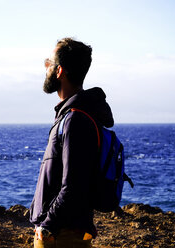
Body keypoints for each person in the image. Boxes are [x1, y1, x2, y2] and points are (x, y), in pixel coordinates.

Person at [29, 38, 114, 248]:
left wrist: (47, 226)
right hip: (62, 233)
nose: (46, 68)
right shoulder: (72, 116)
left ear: (59, 71)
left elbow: (73, 186)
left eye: (49, 63)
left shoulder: (75, 120)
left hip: (61, 237)